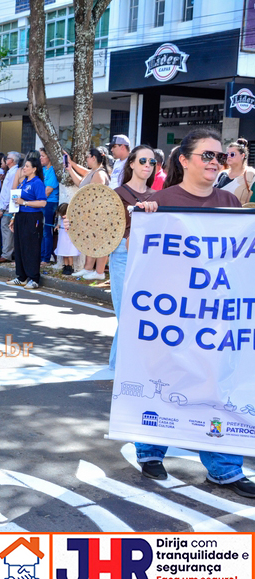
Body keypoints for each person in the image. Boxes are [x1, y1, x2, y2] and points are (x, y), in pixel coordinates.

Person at [133, 128, 255, 498]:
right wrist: (145, 215)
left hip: (215, 315)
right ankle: (150, 452)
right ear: (184, 160)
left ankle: (224, 468)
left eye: (220, 156)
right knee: (164, 379)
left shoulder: (230, 203)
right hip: (171, 316)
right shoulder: (161, 200)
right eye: (207, 155)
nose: (216, 162)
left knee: (215, 385)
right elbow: (136, 254)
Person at [109, 144, 156, 371]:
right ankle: (119, 367)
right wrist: (70, 223)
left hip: (149, 257)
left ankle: (121, 367)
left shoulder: (158, 196)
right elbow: (98, 225)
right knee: (125, 312)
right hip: (122, 254)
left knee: (141, 312)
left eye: (152, 162)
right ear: (131, 163)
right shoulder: (118, 194)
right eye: (143, 161)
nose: (148, 165)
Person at [67, 147, 111, 280]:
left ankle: (99, 272)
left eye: (87, 156)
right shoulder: (94, 172)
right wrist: (71, 167)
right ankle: (88, 268)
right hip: (93, 213)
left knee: (100, 242)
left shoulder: (99, 173)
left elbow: (92, 193)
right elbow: (82, 181)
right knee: (92, 240)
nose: (86, 159)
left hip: (98, 213)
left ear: (93, 158)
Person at [6, 156, 47, 289]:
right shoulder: (23, 182)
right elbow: (17, 201)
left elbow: (42, 202)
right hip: (20, 216)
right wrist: (13, 218)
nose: (24, 168)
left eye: (27, 166)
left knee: (31, 247)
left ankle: (34, 278)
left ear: (34, 169)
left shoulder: (37, 183)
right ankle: (21, 276)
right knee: (20, 246)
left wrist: (24, 202)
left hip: (32, 217)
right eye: (24, 166)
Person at [0, 151, 21, 263]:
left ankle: (6, 254)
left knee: (7, 230)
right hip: (6, 204)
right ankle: (8, 252)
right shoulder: (10, 172)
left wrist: (2, 208)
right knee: (7, 230)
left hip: (9, 206)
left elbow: (10, 191)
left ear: (11, 161)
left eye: (7, 158)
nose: (5, 160)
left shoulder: (14, 172)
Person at [215, 138, 255, 205]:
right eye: (227, 154)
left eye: (232, 154)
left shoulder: (250, 174)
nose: (229, 157)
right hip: (217, 213)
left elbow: (250, 204)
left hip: (238, 214)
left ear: (242, 156)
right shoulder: (221, 174)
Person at [39, 148, 60, 266]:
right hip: (42, 202)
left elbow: (47, 191)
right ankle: (42, 255)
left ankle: (46, 258)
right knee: (41, 231)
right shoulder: (43, 170)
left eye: (43, 156)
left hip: (49, 203)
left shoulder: (52, 171)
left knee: (47, 231)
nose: (40, 158)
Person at [54, 203, 78, 275]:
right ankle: (66, 266)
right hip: (63, 238)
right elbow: (61, 224)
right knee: (64, 253)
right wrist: (58, 226)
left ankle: (70, 267)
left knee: (69, 254)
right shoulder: (62, 219)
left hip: (68, 238)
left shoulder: (70, 219)